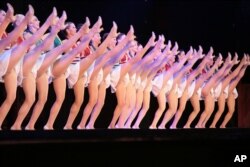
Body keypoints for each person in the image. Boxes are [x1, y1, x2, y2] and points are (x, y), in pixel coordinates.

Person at [0, 5, 36, 129]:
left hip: (13, 65)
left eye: (7, 15)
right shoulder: (10, 34)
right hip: (3, 60)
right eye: (3, 14)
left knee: (11, 97)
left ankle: (9, 124)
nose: (6, 16)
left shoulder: (14, 35)